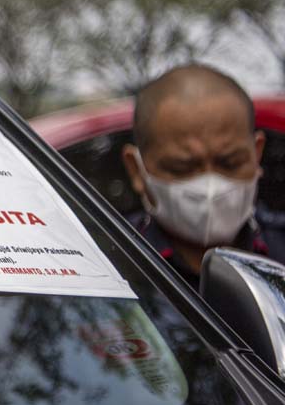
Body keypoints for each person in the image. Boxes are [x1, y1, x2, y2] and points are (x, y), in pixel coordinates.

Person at [122, 64, 285, 289]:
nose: (211, 188)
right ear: (136, 169)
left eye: (230, 163)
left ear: (256, 154)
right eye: (182, 168)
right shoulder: (114, 263)